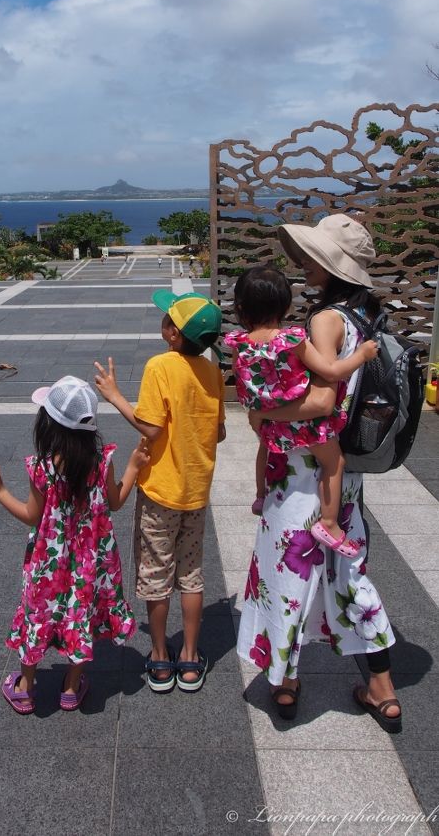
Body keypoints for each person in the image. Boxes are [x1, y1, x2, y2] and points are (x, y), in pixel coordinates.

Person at [236, 214, 401, 732]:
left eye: (313, 257)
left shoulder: (325, 320)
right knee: (348, 575)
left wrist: (263, 414)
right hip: (340, 472)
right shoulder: (367, 316)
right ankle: (382, 688)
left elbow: (323, 400)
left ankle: (285, 681)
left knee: (287, 573)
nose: (304, 263)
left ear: (334, 266)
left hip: (300, 470)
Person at [0, 374, 149, 715]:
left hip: (49, 566)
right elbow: (116, 502)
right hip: (90, 564)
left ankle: (25, 688)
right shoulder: (101, 463)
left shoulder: (42, 469)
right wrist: (132, 466)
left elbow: (31, 515)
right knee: (79, 616)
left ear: (49, 427)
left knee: (38, 616)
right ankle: (71, 688)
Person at [94, 291, 226, 694]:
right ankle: (190, 657)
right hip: (196, 492)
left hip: (160, 492)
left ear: (173, 334)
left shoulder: (160, 366)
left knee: (156, 573)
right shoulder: (213, 372)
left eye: (168, 317)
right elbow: (219, 432)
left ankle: (159, 657)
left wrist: (114, 395)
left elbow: (150, 428)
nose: (164, 320)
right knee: (191, 574)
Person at [226, 265, 378, 554]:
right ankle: (329, 523)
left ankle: (260, 496)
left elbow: (241, 378)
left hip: (270, 422)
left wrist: (262, 406)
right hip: (304, 422)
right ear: (285, 306)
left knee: (264, 450)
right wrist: (361, 355)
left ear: (240, 307)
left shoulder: (239, 344)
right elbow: (330, 371)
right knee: (335, 463)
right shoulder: (292, 340)